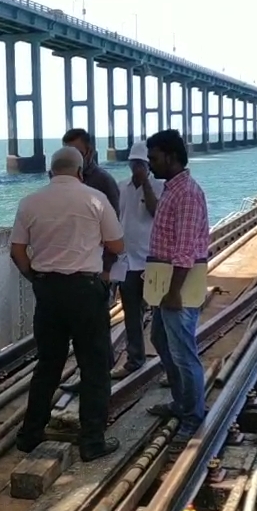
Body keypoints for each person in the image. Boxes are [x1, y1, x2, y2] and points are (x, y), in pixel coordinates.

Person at [10, 146, 125, 462]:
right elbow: (117, 244)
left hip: (48, 291)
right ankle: (92, 441)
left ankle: (30, 435)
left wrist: (35, 277)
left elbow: (18, 251)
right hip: (85, 291)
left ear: (50, 171)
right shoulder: (95, 199)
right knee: (95, 366)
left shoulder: (30, 202)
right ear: (80, 171)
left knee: (48, 364)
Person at [144, 129, 211, 452]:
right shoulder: (172, 189)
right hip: (165, 282)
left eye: (154, 157)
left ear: (170, 156)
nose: (150, 163)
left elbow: (184, 250)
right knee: (160, 339)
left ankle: (193, 415)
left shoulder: (186, 193)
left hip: (177, 285)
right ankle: (181, 402)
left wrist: (173, 292)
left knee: (184, 352)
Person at [109, 140, 165, 380]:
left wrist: (146, 186)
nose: (138, 169)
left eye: (142, 164)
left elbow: (156, 212)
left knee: (162, 318)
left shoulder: (159, 186)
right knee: (131, 314)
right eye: (135, 164)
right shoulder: (122, 188)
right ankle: (135, 359)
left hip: (151, 261)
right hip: (128, 262)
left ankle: (168, 365)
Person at [62, 128, 121, 216]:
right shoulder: (61, 179)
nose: (73, 159)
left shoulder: (104, 181)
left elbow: (115, 217)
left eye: (78, 153)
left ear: (90, 152)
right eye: (68, 154)